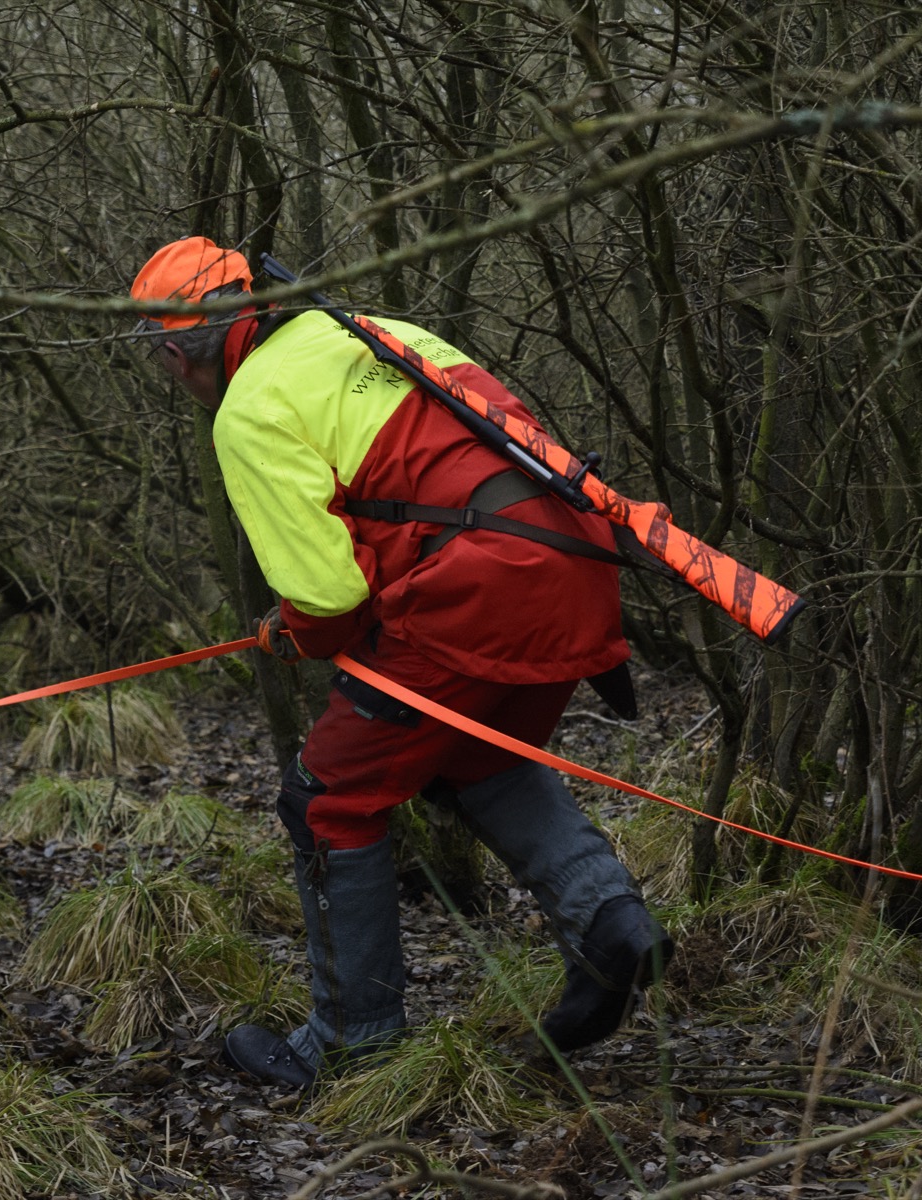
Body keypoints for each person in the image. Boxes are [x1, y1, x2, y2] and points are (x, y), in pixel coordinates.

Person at [130, 236, 673, 1088]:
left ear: (174, 354)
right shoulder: (373, 332)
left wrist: (299, 630)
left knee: (326, 800)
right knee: (478, 758)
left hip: (479, 593)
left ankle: (352, 1041)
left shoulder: (249, 409)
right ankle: (611, 929)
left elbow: (331, 597)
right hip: (575, 564)